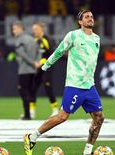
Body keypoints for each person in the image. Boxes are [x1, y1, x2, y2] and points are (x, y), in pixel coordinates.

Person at [24, 9, 104, 155]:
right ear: (80, 22)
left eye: (92, 16)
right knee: (62, 116)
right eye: (86, 17)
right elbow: (59, 52)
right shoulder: (73, 35)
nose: (90, 18)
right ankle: (32, 136)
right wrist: (44, 68)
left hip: (90, 86)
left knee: (99, 118)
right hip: (75, 85)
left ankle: (87, 152)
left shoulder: (97, 38)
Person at [12, 21, 40, 120]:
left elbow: (22, 55)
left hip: (24, 70)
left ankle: (27, 114)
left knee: (23, 91)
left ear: (20, 28)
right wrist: (37, 62)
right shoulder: (31, 39)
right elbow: (39, 51)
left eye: (14, 29)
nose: (13, 31)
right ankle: (29, 113)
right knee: (30, 91)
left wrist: (32, 62)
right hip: (33, 70)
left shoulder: (20, 40)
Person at [31, 22, 59, 117]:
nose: (33, 31)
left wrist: (42, 61)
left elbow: (52, 54)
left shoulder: (47, 39)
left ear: (41, 29)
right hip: (36, 67)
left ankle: (55, 109)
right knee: (33, 87)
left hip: (47, 67)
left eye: (35, 29)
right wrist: (34, 62)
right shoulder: (34, 40)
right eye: (33, 29)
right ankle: (31, 111)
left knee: (47, 87)